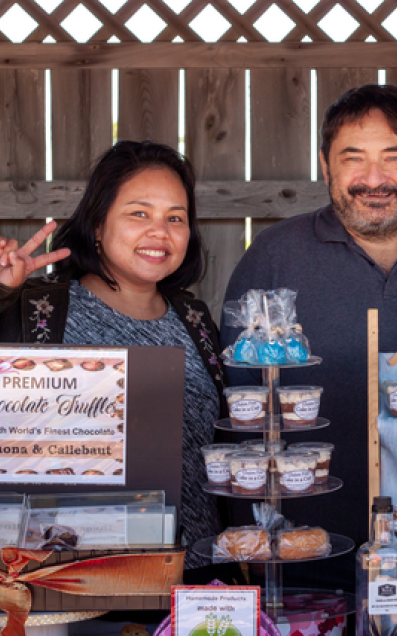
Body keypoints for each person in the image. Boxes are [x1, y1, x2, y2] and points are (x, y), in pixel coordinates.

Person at [221, 84, 397, 589]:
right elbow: (239, 412)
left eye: (393, 158)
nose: (374, 180)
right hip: (300, 551)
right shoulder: (273, 256)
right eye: (353, 159)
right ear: (326, 167)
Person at [0, 140, 229, 573]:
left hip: (195, 575)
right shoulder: (36, 310)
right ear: (98, 225)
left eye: (175, 218)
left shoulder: (196, 321)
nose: (159, 232)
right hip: (64, 577)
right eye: (139, 213)